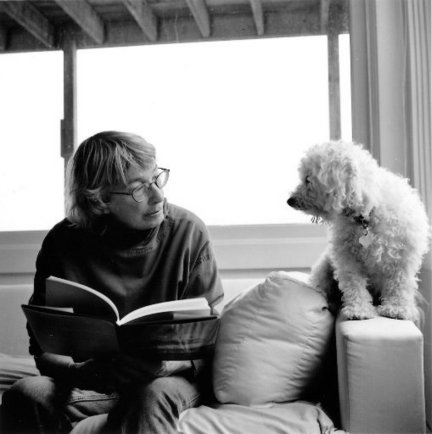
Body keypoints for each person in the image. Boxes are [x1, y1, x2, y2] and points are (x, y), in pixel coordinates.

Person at [1, 131, 224, 433]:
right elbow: (44, 345)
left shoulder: (187, 232)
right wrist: (79, 371)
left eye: (157, 178)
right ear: (101, 199)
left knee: (153, 395)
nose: (159, 195)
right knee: (27, 393)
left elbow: (209, 338)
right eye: (138, 189)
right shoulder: (62, 242)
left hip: (169, 377)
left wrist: (164, 367)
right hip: (93, 381)